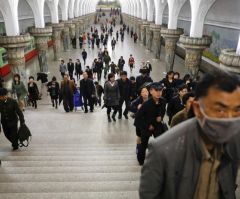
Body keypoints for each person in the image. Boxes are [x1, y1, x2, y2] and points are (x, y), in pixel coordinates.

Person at [139, 71, 240, 199]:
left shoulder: (233, 143)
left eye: (237, 110)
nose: (230, 120)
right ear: (197, 109)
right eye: (220, 110)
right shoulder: (162, 150)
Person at [135, 83, 166, 165]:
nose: (159, 93)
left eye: (160, 91)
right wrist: (148, 126)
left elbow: (163, 112)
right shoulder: (146, 104)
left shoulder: (163, 101)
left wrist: (160, 117)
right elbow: (137, 118)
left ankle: (160, 160)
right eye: (156, 90)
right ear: (151, 91)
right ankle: (141, 160)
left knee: (160, 143)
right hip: (146, 126)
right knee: (144, 145)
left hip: (157, 125)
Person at [130, 85, 149, 163]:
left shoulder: (151, 100)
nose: (145, 93)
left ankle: (143, 147)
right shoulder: (138, 100)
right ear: (140, 93)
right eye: (143, 92)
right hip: (139, 121)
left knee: (146, 135)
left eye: (146, 91)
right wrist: (137, 108)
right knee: (139, 136)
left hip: (148, 121)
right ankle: (138, 148)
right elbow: (131, 107)